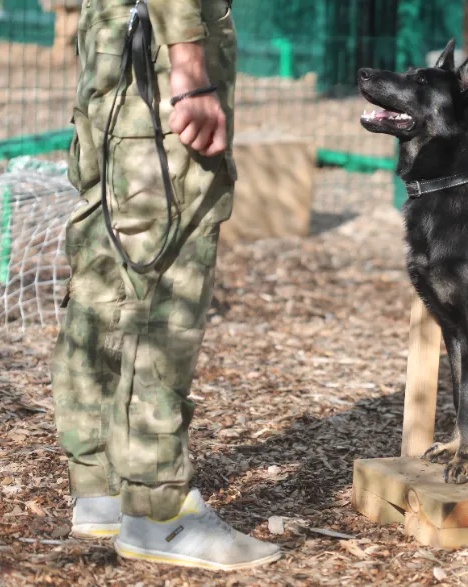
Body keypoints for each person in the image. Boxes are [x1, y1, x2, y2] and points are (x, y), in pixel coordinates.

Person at [50, 0, 281, 571]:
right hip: (158, 72)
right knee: (165, 288)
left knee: (108, 271)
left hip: (120, 62)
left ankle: (103, 487)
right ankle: (160, 514)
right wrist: (189, 68)